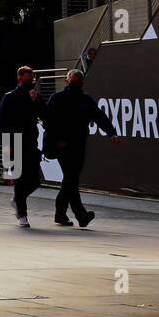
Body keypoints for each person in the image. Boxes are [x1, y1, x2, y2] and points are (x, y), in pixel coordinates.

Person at [44, 68, 119, 228]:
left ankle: (65, 215)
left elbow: (98, 116)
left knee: (71, 180)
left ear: (66, 81)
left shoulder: (61, 98)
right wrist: (111, 132)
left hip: (71, 145)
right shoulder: (81, 99)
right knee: (71, 179)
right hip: (67, 146)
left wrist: (111, 132)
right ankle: (77, 215)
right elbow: (49, 122)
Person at [0, 66, 43, 227]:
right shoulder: (10, 97)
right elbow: (0, 124)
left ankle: (16, 199)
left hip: (31, 142)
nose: (31, 80)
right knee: (21, 179)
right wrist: (5, 145)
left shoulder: (35, 96)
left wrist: (36, 100)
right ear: (19, 79)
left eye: (32, 77)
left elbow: (44, 115)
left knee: (35, 180)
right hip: (14, 142)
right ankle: (22, 215)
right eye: (28, 77)